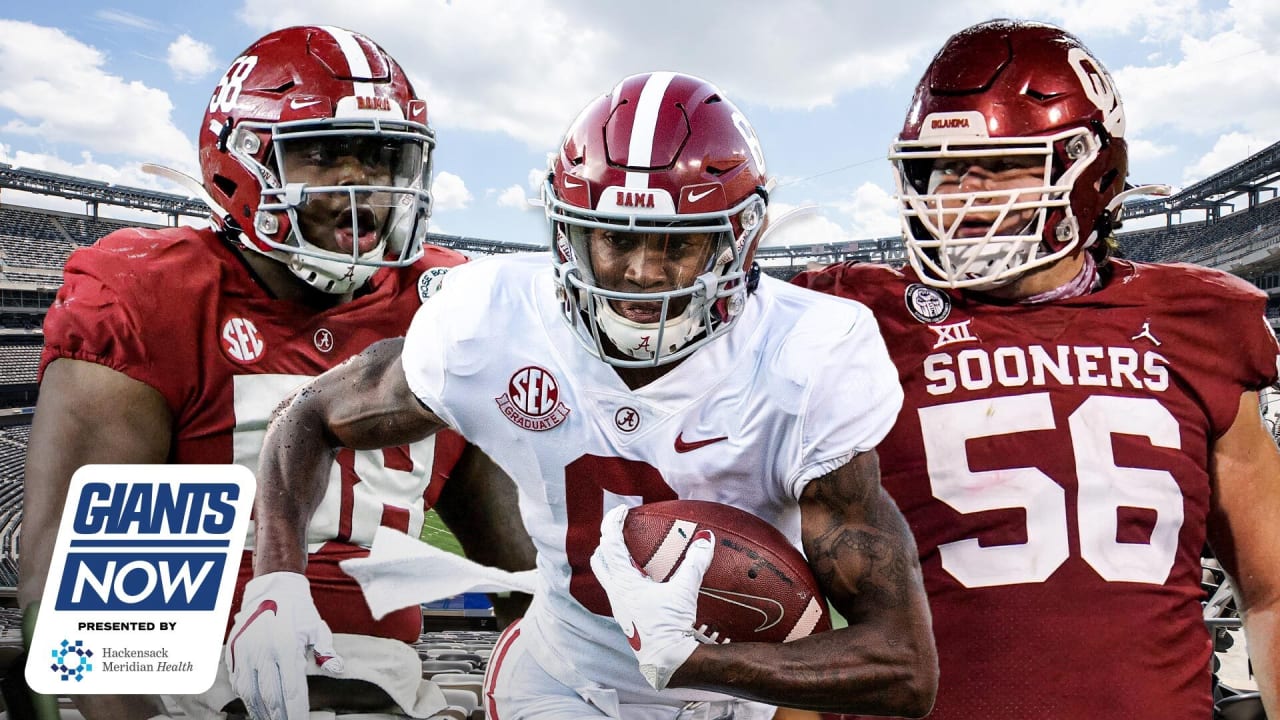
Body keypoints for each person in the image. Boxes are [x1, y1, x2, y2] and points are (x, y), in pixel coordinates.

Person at [239, 71, 939, 719]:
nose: (640, 272)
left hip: (733, 697)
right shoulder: (492, 318)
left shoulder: (805, 356)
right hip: (563, 680)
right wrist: (276, 585)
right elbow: (309, 416)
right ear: (568, 234)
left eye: (678, 244)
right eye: (615, 237)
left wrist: (704, 664)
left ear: (737, 241)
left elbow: (903, 666)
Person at [19, 25, 533, 720]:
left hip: (389, 686)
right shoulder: (154, 296)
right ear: (240, 163)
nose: (363, 186)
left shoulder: (450, 307)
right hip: (191, 681)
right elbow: (72, 606)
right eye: (324, 154)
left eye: (383, 156)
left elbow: (523, 577)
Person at [793, 19, 1280, 719]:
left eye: (997, 165)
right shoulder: (855, 319)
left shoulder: (1197, 320)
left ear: (1094, 172)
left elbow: (1270, 588)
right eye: (942, 169)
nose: (960, 194)